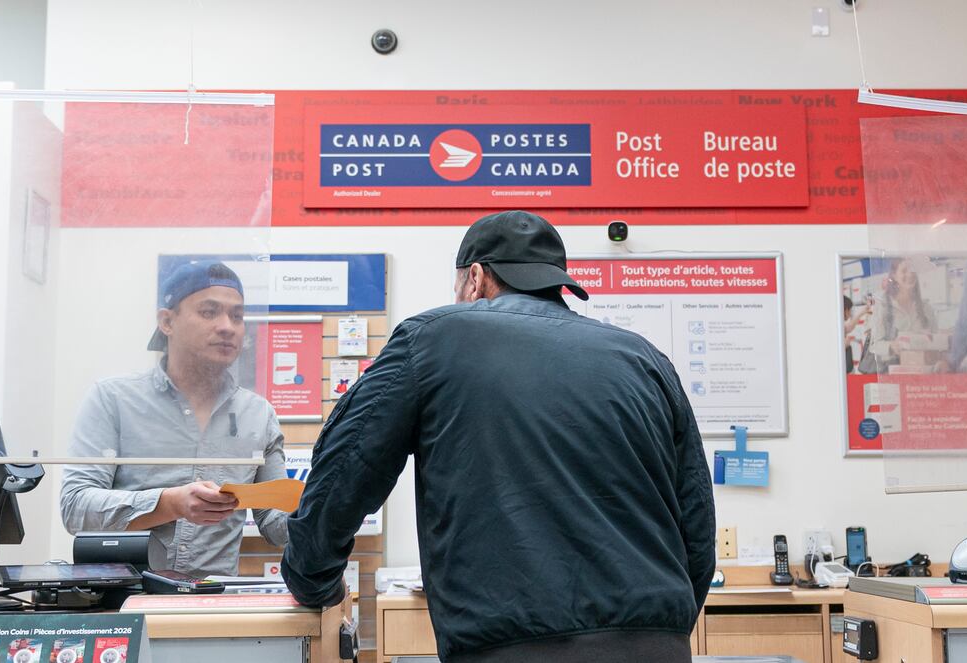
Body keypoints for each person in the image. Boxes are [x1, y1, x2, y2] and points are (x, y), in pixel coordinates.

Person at [282, 210, 715, 663]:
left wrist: (312, 578)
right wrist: (658, 632)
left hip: (512, 648)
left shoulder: (432, 339)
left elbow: (347, 466)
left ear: (475, 278)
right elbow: (698, 527)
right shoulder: (645, 359)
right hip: (656, 644)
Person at [60, 260, 288, 577]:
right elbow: (75, 507)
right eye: (209, 312)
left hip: (212, 601)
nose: (227, 326)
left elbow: (276, 523)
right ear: (167, 321)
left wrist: (327, 511)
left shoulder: (259, 414)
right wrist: (170, 503)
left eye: (237, 316)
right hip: (124, 598)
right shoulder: (113, 398)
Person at [868, 257, 936, 371]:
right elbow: (874, 345)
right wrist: (891, 346)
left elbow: (935, 340)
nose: (909, 274)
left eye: (912, 270)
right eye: (904, 271)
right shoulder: (883, 306)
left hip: (922, 371)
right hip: (892, 372)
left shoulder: (926, 307)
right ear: (894, 275)